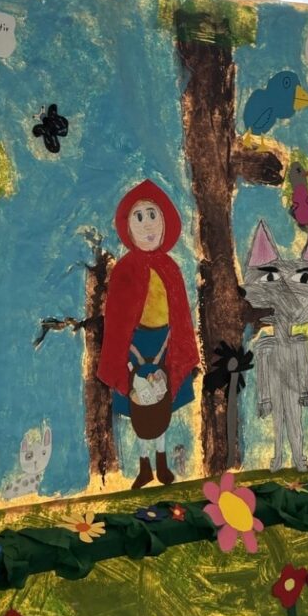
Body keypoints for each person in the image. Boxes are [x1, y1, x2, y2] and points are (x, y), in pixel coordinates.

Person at [98, 181, 198, 490]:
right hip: (135, 347)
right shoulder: (124, 270)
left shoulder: (170, 269)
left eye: (152, 215)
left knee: (162, 406)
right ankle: (144, 467)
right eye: (138, 217)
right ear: (127, 226)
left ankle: (162, 463)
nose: (147, 225)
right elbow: (117, 320)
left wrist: (179, 348)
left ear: (165, 220)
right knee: (140, 408)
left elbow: (180, 315)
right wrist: (125, 357)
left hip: (167, 344)